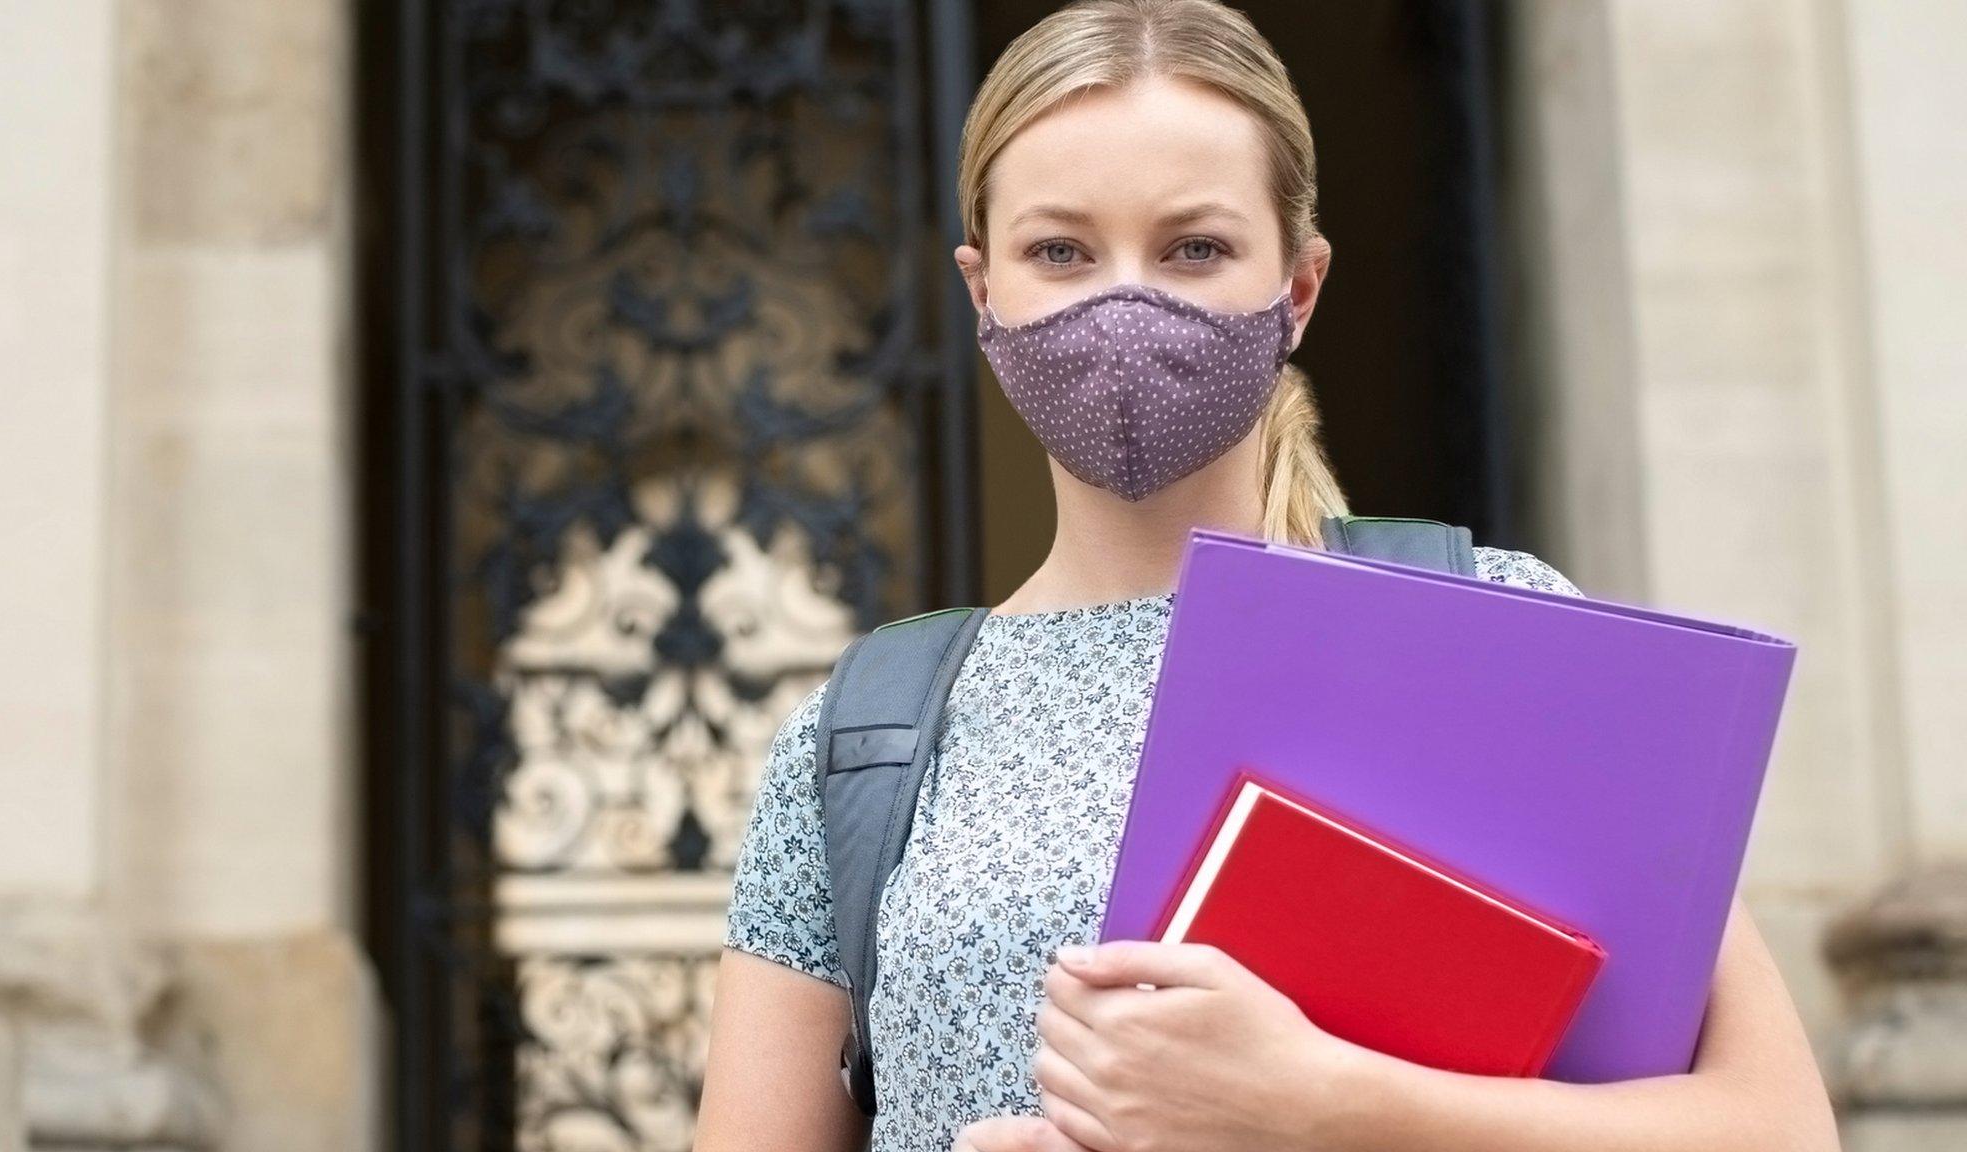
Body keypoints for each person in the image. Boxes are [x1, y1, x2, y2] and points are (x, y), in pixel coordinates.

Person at [695, 2, 1842, 1150]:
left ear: (1297, 287)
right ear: (981, 288)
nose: (1122, 304)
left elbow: (1775, 1130)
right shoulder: (862, 740)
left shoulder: (1494, 630)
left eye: (1193, 248)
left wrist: (1313, 1103)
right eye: (1058, 251)